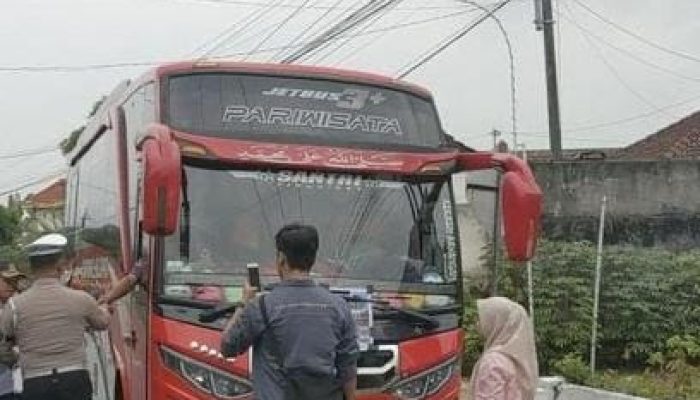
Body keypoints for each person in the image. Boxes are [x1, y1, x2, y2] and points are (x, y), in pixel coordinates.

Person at [220, 223, 359, 400]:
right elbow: (348, 368)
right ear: (313, 259)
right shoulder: (339, 307)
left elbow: (227, 347)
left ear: (281, 259)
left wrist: (243, 303)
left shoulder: (262, 307)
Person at [0, 233, 111, 400]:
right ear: (59, 265)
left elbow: (3, 348)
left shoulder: (14, 306)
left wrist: (18, 359)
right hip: (74, 380)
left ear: (31, 268)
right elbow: (102, 323)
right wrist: (105, 308)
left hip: (35, 383)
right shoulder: (81, 298)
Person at [470, 297, 539, 400]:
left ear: (496, 322)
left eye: (482, 319)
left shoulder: (493, 360)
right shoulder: (517, 356)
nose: (477, 324)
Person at [0, 268, 25, 400]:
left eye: (15, 281)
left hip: (15, 384)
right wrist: (17, 356)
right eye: (7, 281)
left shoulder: (17, 307)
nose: (12, 285)